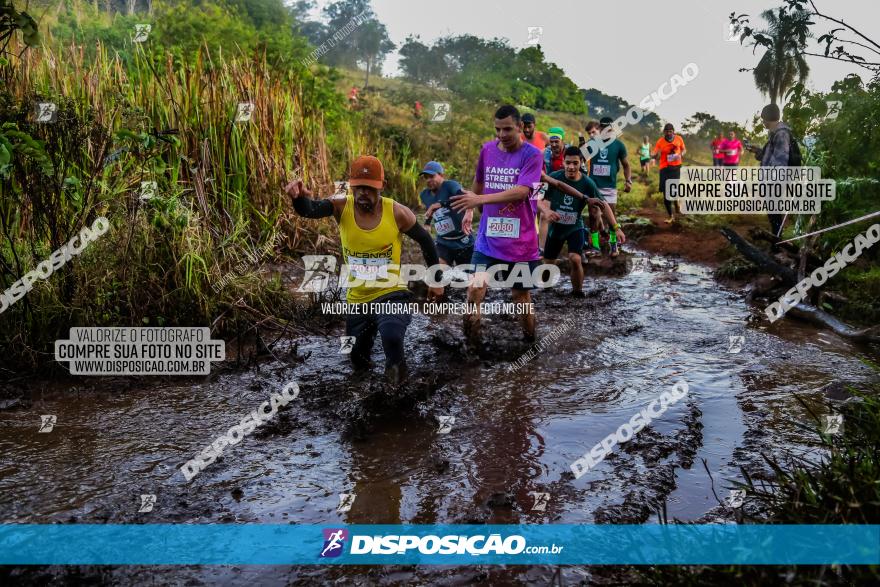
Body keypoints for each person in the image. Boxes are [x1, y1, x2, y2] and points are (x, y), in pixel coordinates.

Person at [285, 155, 444, 383]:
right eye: (358, 188)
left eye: (369, 189)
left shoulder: (397, 212)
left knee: (391, 336)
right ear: (351, 185)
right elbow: (310, 210)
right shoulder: (341, 206)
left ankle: (398, 391)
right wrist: (299, 198)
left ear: (382, 187)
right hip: (358, 299)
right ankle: (363, 393)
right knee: (358, 359)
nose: (362, 194)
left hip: (392, 294)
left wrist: (436, 280)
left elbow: (426, 241)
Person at [450, 105, 544, 347]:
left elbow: (523, 192)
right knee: (474, 288)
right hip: (488, 238)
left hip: (521, 242)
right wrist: (471, 207)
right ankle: (471, 346)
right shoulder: (487, 150)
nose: (502, 135)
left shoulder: (532, 155)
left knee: (520, 296)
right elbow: (479, 181)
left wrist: (479, 200)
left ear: (521, 127)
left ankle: (530, 342)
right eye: (498, 129)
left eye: (508, 129)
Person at [540, 146, 626, 296]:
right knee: (548, 263)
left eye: (575, 163)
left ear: (581, 163)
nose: (571, 167)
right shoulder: (554, 177)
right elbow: (537, 198)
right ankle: (546, 290)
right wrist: (546, 210)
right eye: (568, 163)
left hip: (575, 227)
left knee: (575, 258)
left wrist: (616, 227)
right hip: (556, 229)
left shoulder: (587, 183)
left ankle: (578, 293)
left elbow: (603, 205)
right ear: (563, 162)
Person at [745, 103, 796, 237]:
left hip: (775, 180)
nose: (763, 122)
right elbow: (771, 157)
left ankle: (777, 243)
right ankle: (776, 241)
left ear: (768, 118)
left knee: (774, 213)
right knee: (773, 213)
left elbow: (780, 161)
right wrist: (758, 151)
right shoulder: (775, 134)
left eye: (763, 119)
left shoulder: (781, 134)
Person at [585, 117, 632, 257]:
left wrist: (628, 181)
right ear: (600, 129)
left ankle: (613, 245)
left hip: (610, 187)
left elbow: (626, 165)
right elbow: (580, 160)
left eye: (610, 130)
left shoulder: (619, 145)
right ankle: (595, 246)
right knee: (593, 216)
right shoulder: (592, 143)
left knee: (611, 217)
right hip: (594, 186)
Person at [418, 161, 474, 267]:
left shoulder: (450, 186)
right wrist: (427, 223)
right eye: (426, 177)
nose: (428, 180)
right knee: (438, 273)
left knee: (465, 279)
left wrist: (441, 204)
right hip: (443, 242)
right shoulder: (424, 195)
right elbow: (431, 210)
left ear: (441, 175)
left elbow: (465, 198)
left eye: (431, 176)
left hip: (463, 240)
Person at [652, 123, 686, 224]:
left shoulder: (679, 139)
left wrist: (680, 154)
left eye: (670, 131)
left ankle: (677, 203)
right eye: (667, 132)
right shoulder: (660, 141)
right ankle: (671, 216)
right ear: (664, 132)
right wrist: (653, 155)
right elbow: (655, 152)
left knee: (673, 189)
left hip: (676, 168)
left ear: (673, 132)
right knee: (666, 194)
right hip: (664, 168)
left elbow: (684, 149)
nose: (669, 133)